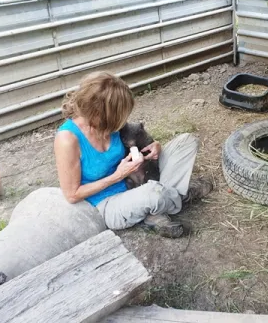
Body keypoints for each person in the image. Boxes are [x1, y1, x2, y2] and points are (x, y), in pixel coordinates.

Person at [53, 71, 212, 238]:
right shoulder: (67, 139)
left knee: (187, 142)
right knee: (154, 193)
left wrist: (156, 146)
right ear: (100, 113)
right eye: (118, 115)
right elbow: (72, 195)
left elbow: (139, 140)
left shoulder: (108, 123)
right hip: (108, 203)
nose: (122, 121)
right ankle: (177, 197)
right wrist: (117, 175)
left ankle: (159, 207)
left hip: (135, 183)